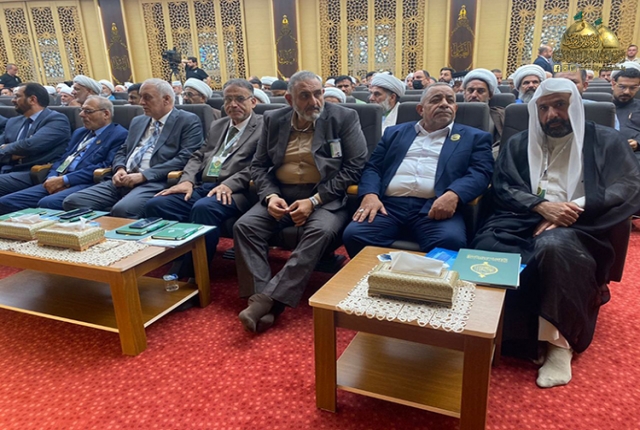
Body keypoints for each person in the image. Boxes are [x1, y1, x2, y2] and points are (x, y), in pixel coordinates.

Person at [472, 78, 640, 388]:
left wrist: (574, 208)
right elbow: (504, 185)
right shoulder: (519, 143)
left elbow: (628, 186)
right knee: (486, 244)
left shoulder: (606, 140)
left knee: (553, 247)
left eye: (560, 105)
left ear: (575, 106)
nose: (552, 115)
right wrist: (541, 207)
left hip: (584, 224)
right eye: (544, 108)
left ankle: (558, 344)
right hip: (524, 216)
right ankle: (495, 332)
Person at [233, 70, 367, 333]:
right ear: (289, 99)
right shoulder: (274, 119)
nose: (314, 102)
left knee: (320, 231)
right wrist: (270, 196)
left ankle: (264, 302)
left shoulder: (343, 118)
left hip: (325, 197)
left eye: (318, 94)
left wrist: (314, 200)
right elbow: (258, 166)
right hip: (281, 194)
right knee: (245, 227)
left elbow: (355, 167)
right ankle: (266, 301)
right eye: (304, 96)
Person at [342, 83, 493, 257]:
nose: (444, 104)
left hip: (435, 206)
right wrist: (370, 195)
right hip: (388, 206)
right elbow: (373, 168)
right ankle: (376, 274)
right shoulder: (394, 133)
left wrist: (454, 194)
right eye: (436, 100)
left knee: (449, 242)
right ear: (421, 109)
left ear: (455, 108)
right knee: (354, 234)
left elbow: (481, 172)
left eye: (450, 100)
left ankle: (424, 276)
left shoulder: (474, 137)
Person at [144, 79, 263, 272]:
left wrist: (230, 184)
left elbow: (259, 165)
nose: (233, 105)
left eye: (240, 99)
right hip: (203, 186)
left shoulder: (264, 126)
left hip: (236, 191)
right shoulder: (218, 125)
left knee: (204, 208)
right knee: (157, 204)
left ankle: (195, 272)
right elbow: (198, 155)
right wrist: (187, 180)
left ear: (253, 101)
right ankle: (177, 258)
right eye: (228, 99)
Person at [62, 78, 203, 218]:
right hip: (123, 178)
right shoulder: (138, 121)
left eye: (147, 98)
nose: (141, 102)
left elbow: (185, 157)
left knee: (122, 210)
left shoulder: (187, 120)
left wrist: (143, 176)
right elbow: (123, 150)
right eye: (141, 97)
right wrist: (120, 168)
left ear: (166, 99)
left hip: (153, 181)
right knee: (73, 202)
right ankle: (97, 231)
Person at [0, 96, 127, 213]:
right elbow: (63, 158)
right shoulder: (80, 132)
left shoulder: (119, 134)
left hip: (86, 182)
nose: (81, 114)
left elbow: (105, 166)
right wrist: (52, 177)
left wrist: (65, 180)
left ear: (106, 114)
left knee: (47, 203)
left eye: (88, 111)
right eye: (81, 110)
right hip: (58, 178)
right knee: (6, 202)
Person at [0, 83, 71, 175]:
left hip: (32, 172)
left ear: (32, 100)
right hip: (6, 168)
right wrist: (11, 155)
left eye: (17, 96)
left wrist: (7, 147)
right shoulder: (13, 121)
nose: (13, 100)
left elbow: (30, 145)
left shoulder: (57, 120)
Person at [462, 68, 505, 151]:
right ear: (464, 93)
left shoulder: (500, 115)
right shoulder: (451, 114)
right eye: (470, 90)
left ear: (490, 95)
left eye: (480, 91)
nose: (474, 95)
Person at [611, 67, 640, 160]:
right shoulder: (598, 107)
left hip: (634, 156)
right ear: (613, 84)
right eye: (622, 87)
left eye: (633, 88)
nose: (627, 92)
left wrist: (637, 143)